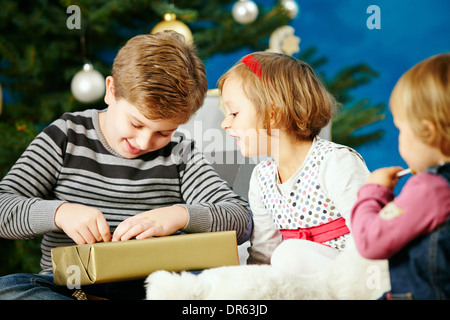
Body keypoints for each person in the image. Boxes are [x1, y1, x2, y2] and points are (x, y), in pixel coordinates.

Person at [0, 31, 251, 300]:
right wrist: (60, 212)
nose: (144, 141)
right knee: (10, 287)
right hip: (73, 287)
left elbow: (241, 219)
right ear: (111, 90)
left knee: (214, 286)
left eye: (163, 132)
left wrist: (179, 215)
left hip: (154, 286)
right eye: (136, 123)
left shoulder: (180, 152)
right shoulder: (66, 135)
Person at [219, 52, 369, 276]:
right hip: (308, 283)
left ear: (273, 113)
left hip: (356, 277)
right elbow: (263, 255)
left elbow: (371, 236)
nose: (224, 124)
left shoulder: (335, 163)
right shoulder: (262, 178)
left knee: (288, 254)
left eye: (234, 113)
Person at [351, 53, 450, 300]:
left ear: (427, 132)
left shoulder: (431, 189)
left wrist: (373, 191)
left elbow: (370, 241)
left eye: (400, 129)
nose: (399, 139)